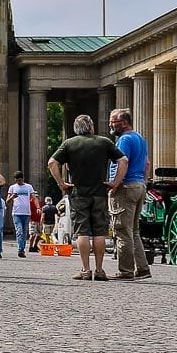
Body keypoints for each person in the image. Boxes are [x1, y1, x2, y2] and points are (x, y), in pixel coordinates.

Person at [48, 114, 127, 281]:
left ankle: (85, 269)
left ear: (76, 129)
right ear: (91, 127)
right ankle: (99, 270)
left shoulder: (69, 143)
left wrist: (61, 183)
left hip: (78, 193)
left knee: (82, 232)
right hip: (100, 193)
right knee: (100, 232)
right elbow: (123, 160)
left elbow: (52, 162)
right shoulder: (104, 142)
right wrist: (115, 182)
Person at [106, 108, 153, 280]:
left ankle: (125, 271)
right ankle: (142, 268)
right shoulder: (139, 138)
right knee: (133, 231)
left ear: (124, 122)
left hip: (125, 187)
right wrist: (143, 182)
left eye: (113, 121)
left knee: (122, 231)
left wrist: (114, 184)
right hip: (139, 185)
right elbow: (147, 163)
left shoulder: (124, 140)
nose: (110, 124)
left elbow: (122, 162)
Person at [5, 172, 34, 258]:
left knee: (24, 233)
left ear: (23, 179)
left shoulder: (29, 187)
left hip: (26, 212)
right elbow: (7, 201)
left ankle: (22, 249)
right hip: (16, 213)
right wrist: (12, 197)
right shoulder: (12, 187)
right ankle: (20, 249)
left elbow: (34, 198)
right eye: (17, 180)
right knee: (19, 231)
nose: (18, 181)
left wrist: (38, 207)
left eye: (20, 180)